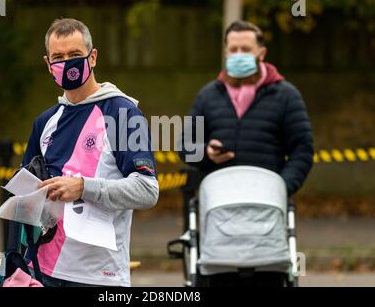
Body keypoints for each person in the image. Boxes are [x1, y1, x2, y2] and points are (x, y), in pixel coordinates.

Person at [19, 18, 159, 287]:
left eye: (75, 55)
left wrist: (83, 187)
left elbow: (147, 190)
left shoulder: (123, 114)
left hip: (98, 276)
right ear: (48, 65)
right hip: (42, 270)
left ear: (92, 57)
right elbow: (28, 195)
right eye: (58, 57)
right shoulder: (44, 122)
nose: (67, 63)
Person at [179, 20, 314, 286]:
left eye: (245, 49)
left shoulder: (286, 96)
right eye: (233, 49)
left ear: (261, 53)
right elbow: (185, 145)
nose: (238, 55)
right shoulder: (208, 95)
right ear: (226, 52)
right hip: (219, 218)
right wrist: (206, 152)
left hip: (266, 214)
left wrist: (281, 188)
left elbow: (302, 149)